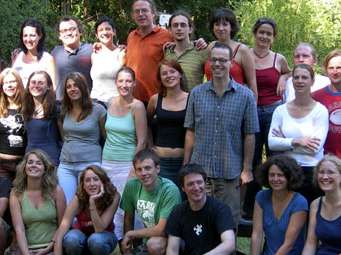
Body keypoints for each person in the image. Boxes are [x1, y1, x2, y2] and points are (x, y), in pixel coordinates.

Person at [184, 42, 259, 226]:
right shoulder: (196, 93)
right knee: (199, 224)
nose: (217, 64)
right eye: (213, 60)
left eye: (222, 60)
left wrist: (247, 169)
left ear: (231, 63)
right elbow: (190, 132)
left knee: (227, 223)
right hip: (200, 173)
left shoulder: (245, 95)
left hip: (230, 173)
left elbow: (250, 134)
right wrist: (186, 165)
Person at [232, 155, 308, 255]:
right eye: (272, 175)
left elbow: (288, 244)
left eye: (280, 175)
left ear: (289, 177)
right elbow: (256, 235)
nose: (275, 179)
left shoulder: (299, 202)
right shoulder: (262, 196)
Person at [244, 17, 291, 218]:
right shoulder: (245, 54)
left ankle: (275, 202)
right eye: (261, 32)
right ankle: (249, 207)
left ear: (273, 37)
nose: (264, 36)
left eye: (268, 34)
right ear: (255, 34)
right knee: (252, 159)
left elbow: (290, 72)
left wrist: (283, 76)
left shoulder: (278, 59)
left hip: (273, 111)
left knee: (275, 157)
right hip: (251, 111)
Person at [112, 149, 181, 255]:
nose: (143, 173)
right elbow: (128, 217)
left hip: (173, 242)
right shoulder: (132, 185)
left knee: (154, 244)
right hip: (149, 243)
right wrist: (127, 251)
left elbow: (162, 230)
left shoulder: (169, 190)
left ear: (158, 168)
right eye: (139, 169)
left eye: (148, 168)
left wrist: (131, 234)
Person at [269, 63, 329, 203]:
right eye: (296, 77)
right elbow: (272, 143)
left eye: (304, 77)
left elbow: (315, 148)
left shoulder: (320, 111)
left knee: (311, 218)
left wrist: (284, 141)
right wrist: (296, 141)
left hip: (312, 172)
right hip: (287, 171)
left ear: (312, 81)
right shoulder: (280, 111)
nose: (300, 81)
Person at [9, 150, 66, 255]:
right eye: (30, 162)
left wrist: (49, 247)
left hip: (51, 247)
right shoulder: (16, 193)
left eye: (39, 163)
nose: (34, 166)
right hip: (27, 248)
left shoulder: (56, 191)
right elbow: (19, 229)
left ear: (45, 168)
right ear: (24, 166)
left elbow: (63, 225)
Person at [102, 67, 148, 240]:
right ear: (115, 83)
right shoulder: (109, 102)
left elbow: (142, 141)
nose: (124, 84)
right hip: (107, 163)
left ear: (134, 84)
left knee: (124, 208)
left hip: (127, 164)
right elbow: (107, 131)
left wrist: (132, 169)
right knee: (107, 205)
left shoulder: (137, 106)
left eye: (128, 81)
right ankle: (111, 244)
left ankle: (129, 245)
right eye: (121, 81)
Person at [53, 165, 120, 255]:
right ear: (83, 185)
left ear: (103, 182)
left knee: (97, 239)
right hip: (81, 238)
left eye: (96, 179)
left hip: (104, 237)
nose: (92, 184)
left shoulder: (113, 196)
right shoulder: (77, 200)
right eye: (87, 180)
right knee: (70, 239)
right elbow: (63, 228)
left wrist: (92, 204)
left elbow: (99, 229)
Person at [57, 72, 106, 202]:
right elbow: (64, 137)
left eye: (76, 85)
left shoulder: (98, 110)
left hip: (90, 164)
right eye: (69, 86)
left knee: (90, 204)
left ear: (83, 87)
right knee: (67, 205)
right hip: (66, 164)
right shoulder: (64, 110)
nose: (72, 89)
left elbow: (106, 137)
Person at [147, 59, 189, 189]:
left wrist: (186, 163)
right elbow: (146, 124)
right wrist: (150, 146)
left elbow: (193, 132)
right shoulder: (155, 99)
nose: (169, 76)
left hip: (182, 162)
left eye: (172, 71)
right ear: (160, 78)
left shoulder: (191, 98)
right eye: (164, 73)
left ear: (180, 74)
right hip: (160, 163)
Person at [126, 0, 174, 104]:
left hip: (157, 98)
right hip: (132, 98)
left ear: (153, 12)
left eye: (144, 10)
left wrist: (198, 43)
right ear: (132, 15)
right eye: (137, 11)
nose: (141, 14)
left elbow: (183, 49)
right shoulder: (131, 36)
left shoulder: (167, 36)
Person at [0, 68, 27, 181]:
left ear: (19, 83)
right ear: (1, 86)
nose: (9, 85)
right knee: (1, 198)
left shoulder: (28, 106)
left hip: (22, 164)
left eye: (12, 82)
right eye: (6, 82)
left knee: (20, 197)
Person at [204, 8, 257, 97]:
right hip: (211, 101)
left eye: (225, 24)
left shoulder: (242, 50)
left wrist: (252, 108)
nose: (221, 28)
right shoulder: (211, 47)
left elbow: (252, 83)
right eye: (217, 24)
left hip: (236, 102)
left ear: (231, 27)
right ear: (212, 27)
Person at [311, 50, 341, 161]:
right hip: (324, 159)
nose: (335, 72)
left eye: (339, 68)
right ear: (326, 70)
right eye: (331, 68)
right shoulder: (316, 97)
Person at [22, 71, 62, 165]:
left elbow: (64, 137)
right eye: (33, 82)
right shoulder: (25, 108)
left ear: (48, 87)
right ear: (28, 86)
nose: (36, 86)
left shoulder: (56, 108)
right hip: (30, 157)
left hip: (50, 157)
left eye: (41, 83)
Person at [163, 11, 208, 92]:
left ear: (190, 29)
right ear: (170, 30)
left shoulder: (201, 51)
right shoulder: (167, 52)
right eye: (175, 25)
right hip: (172, 102)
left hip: (194, 102)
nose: (179, 28)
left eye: (183, 25)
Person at [52, 16, 93, 100]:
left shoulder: (92, 50)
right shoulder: (54, 53)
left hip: (87, 105)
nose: (68, 33)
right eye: (64, 31)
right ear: (59, 35)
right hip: (61, 106)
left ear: (80, 31)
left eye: (72, 29)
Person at [90, 16, 126, 103]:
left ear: (114, 32)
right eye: (101, 30)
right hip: (94, 102)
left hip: (114, 103)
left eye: (108, 29)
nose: (105, 32)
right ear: (97, 35)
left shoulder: (121, 53)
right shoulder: (94, 55)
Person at [11, 19, 56, 87]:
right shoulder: (17, 56)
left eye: (32, 35)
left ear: (40, 35)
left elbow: (53, 88)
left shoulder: (47, 59)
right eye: (25, 36)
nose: (28, 40)